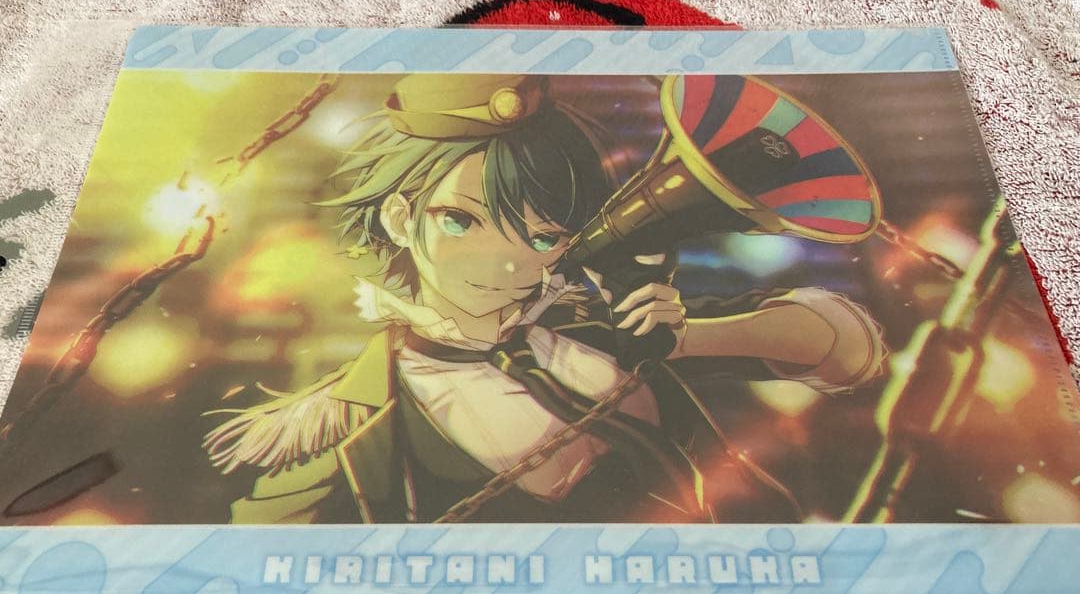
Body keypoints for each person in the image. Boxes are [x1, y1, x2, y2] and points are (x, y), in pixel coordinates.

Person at [204, 74, 885, 524]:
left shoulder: (595, 326)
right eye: (461, 220)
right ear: (400, 218)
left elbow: (847, 350)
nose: (506, 261)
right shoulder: (346, 428)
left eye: (542, 235)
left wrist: (692, 340)